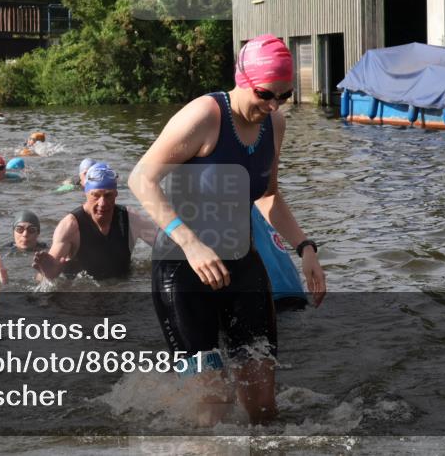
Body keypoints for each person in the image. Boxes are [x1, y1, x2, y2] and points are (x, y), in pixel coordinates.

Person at [127, 33, 326, 426]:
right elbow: (141, 179)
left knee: (264, 409)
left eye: (283, 97)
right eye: (266, 94)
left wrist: (305, 248)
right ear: (242, 78)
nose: (272, 106)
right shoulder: (204, 116)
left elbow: (268, 196)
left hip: (242, 264)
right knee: (212, 408)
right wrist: (191, 243)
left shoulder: (275, 124)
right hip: (183, 268)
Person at [33, 164, 159, 281]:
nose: (102, 203)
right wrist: (47, 274)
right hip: (84, 297)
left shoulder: (131, 219)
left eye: (108, 195)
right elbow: (44, 276)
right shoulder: (70, 227)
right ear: (86, 193)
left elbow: (166, 244)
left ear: (116, 194)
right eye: (96, 195)